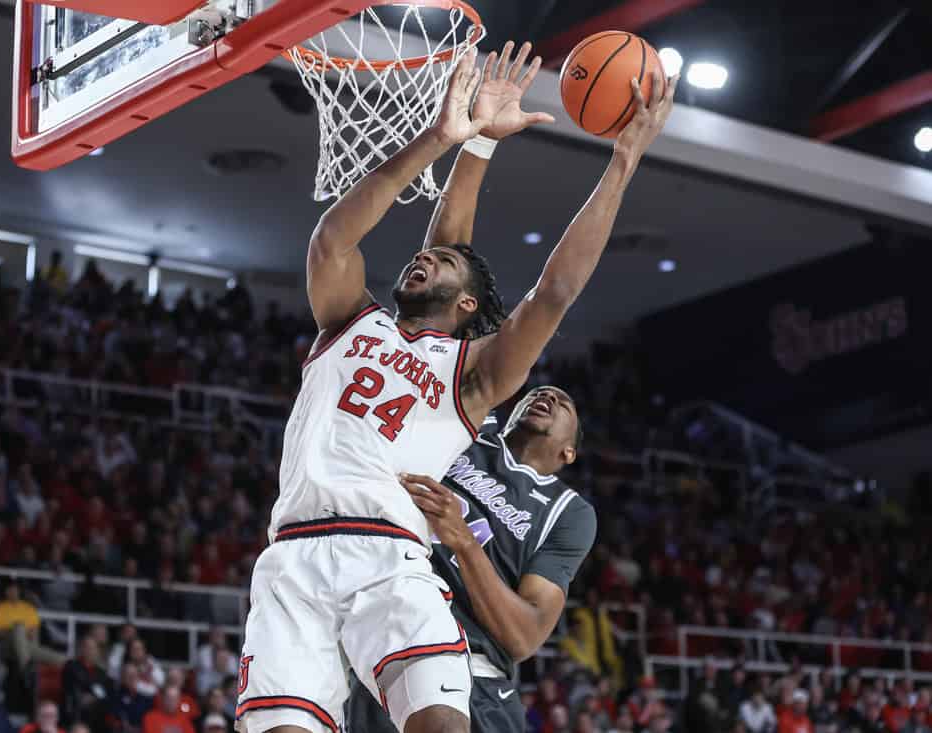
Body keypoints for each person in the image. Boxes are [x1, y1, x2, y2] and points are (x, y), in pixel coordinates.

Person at [236, 38, 676, 733]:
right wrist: (452, 140)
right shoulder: (349, 319)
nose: (423, 257)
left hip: (390, 559)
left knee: (441, 724)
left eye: (438, 262)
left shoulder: (471, 379)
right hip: (292, 555)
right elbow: (332, 240)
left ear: (468, 305)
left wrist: (623, 161)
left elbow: (553, 292)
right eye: (422, 256)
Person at [348, 387, 596, 733]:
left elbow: (524, 637)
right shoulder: (472, 426)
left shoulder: (568, 513)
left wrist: (463, 541)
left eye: (564, 402)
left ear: (569, 451)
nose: (548, 397)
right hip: (394, 641)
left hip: (478, 676)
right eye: (538, 392)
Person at [0, 579, 66, 671]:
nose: (13, 592)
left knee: (63, 660)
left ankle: (25, 667)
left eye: (15, 590)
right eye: (10, 590)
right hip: (7, 647)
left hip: (29, 645)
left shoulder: (29, 609)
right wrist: (13, 631)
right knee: (19, 628)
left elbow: (34, 634)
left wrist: (20, 633)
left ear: (19, 591)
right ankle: (26, 668)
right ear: (5, 592)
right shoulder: (0, 608)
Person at [61, 635, 113, 729]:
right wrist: (85, 695)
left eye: (93, 648)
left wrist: (94, 697)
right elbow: (69, 687)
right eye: (87, 647)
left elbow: (105, 693)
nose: (90, 651)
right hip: (76, 708)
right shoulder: (71, 666)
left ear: (97, 651)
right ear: (82, 649)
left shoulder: (101, 673)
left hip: (96, 710)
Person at [113, 663, 154, 733]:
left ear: (138, 676)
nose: (132, 677)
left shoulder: (147, 696)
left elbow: (151, 717)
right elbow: (114, 718)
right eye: (128, 675)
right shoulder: (115, 696)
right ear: (123, 677)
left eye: (134, 675)